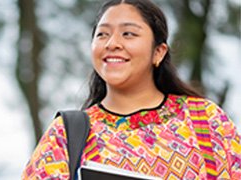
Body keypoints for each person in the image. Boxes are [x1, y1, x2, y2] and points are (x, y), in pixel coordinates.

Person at [21, 0, 241, 179]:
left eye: (128, 34)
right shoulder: (66, 135)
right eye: (102, 34)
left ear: (159, 52)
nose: (112, 43)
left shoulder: (205, 119)